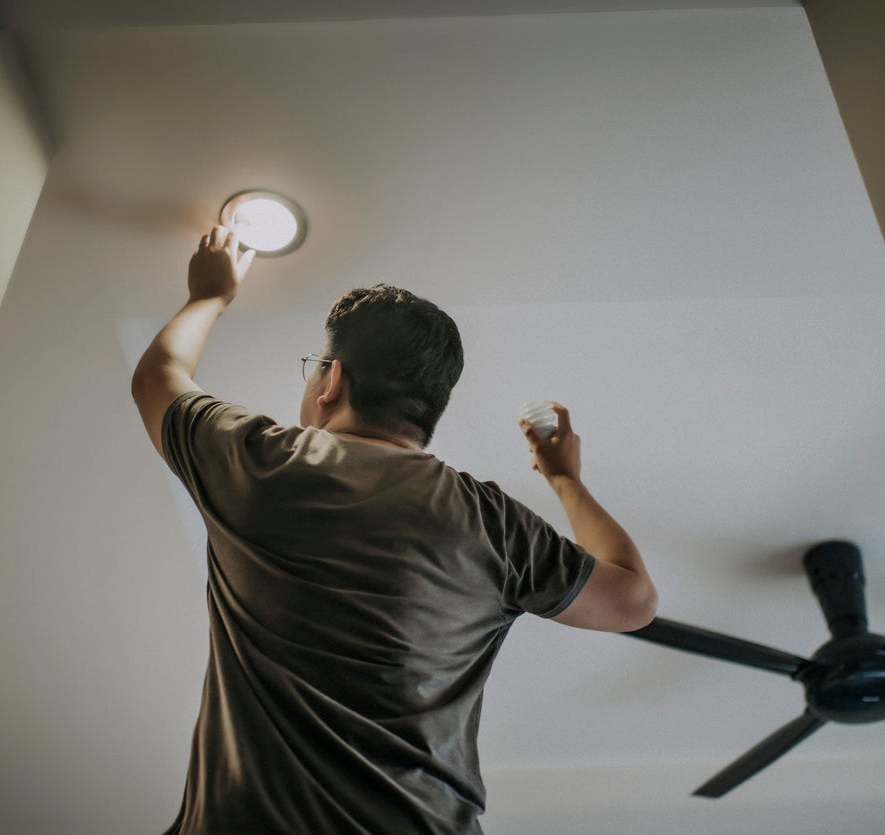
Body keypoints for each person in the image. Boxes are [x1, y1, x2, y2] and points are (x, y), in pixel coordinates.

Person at [131, 227, 657, 834]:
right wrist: (565, 480)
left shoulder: (258, 462)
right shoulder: (491, 522)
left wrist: (209, 296)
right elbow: (634, 600)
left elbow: (159, 376)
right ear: (426, 412)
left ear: (331, 381)